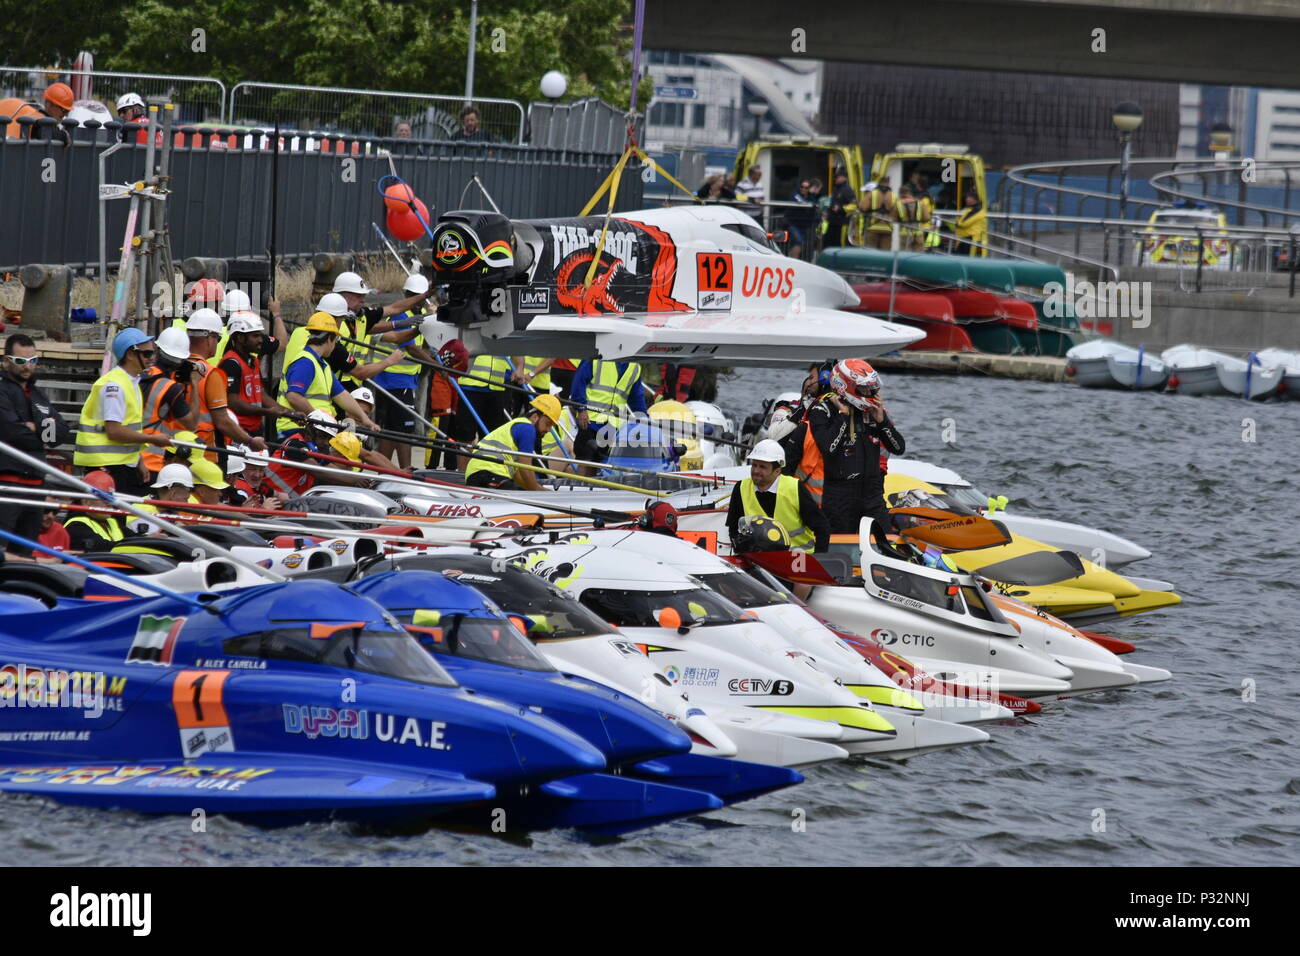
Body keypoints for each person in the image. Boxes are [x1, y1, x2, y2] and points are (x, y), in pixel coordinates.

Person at [797, 359, 905, 534]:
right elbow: (829, 448)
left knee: (886, 542)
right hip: (840, 496)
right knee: (840, 552)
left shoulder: (874, 410)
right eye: (864, 388)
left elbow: (898, 448)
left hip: (872, 494)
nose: (871, 393)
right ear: (844, 386)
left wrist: (882, 422)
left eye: (872, 388)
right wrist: (843, 416)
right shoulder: (822, 409)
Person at [75, 328, 172, 497]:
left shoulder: (131, 381)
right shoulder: (115, 386)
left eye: (153, 352)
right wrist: (153, 439)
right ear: (130, 355)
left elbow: (128, 427)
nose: (153, 358)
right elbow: (115, 431)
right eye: (148, 354)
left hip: (121, 464)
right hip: (107, 465)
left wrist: (138, 460)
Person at [0, 334, 71, 554]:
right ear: (6, 361)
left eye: (32, 361)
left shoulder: (39, 395)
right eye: (20, 361)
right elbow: (12, 431)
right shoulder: (2, 390)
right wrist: (41, 431)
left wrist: (35, 428)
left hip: (36, 484)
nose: (27, 367)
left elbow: (60, 433)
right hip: (7, 484)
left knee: (24, 552)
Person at [275, 312, 384, 437]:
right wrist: (319, 420)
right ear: (328, 339)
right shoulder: (305, 362)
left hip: (314, 429)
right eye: (336, 340)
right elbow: (293, 396)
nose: (335, 345)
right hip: (298, 430)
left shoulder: (322, 365)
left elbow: (342, 395)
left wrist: (364, 418)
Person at [370, 273, 437, 469]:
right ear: (406, 293)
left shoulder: (417, 316)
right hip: (394, 380)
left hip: (401, 380)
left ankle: (384, 470)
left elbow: (424, 344)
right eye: (413, 295)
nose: (416, 300)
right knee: (404, 429)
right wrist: (438, 367)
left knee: (391, 429)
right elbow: (412, 348)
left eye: (420, 296)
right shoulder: (401, 316)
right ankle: (406, 471)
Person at [183, 309, 265, 459]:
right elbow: (222, 421)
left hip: (176, 449)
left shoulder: (176, 367)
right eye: (218, 339)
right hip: (205, 452)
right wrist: (250, 441)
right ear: (209, 338)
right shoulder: (211, 374)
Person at [726, 439, 829, 554]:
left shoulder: (794, 488)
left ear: (777, 471)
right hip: (758, 562)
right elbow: (733, 529)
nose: (755, 470)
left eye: (762, 467)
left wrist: (819, 560)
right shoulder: (741, 488)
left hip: (798, 561)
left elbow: (822, 527)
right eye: (754, 465)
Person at [219, 312, 293, 444]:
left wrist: (289, 413)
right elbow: (233, 402)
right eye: (255, 335)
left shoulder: (253, 361)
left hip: (255, 429)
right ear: (240, 338)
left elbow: (261, 395)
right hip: (237, 432)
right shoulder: (231, 364)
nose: (260, 340)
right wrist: (267, 412)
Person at [139, 325, 201, 477]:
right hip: (153, 461)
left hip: (131, 455)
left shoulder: (141, 374)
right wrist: (194, 383)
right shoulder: (170, 388)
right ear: (181, 360)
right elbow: (192, 423)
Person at [463, 395, 561, 491]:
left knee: (521, 492)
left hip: (479, 474)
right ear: (535, 417)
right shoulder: (527, 429)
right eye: (547, 424)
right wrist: (538, 491)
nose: (548, 430)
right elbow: (525, 468)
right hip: (487, 473)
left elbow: (518, 474)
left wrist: (538, 489)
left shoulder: (518, 426)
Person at [570, 357, 647, 474]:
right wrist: (581, 408)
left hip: (614, 426)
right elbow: (579, 382)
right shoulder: (596, 359)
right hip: (591, 420)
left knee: (603, 464)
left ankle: (596, 490)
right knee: (585, 460)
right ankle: (581, 490)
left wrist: (644, 420)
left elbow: (637, 399)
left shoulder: (634, 367)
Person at [64, 470, 125, 551]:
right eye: (104, 499)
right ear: (86, 502)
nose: (110, 504)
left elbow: (135, 539)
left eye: (111, 499)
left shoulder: (111, 521)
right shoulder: (75, 525)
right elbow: (103, 548)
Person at [821, 168, 857, 248]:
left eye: (837, 177)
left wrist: (841, 209)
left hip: (841, 224)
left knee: (838, 245)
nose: (835, 179)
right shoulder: (837, 189)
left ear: (844, 177)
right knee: (827, 244)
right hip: (832, 222)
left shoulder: (847, 190)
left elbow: (854, 205)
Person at [786, 180, 816, 260]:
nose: (803, 189)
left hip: (803, 225)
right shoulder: (795, 194)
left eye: (806, 187)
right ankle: (794, 261)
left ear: (809, 189)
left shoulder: (811, 197)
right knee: (798, 241)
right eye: (802, 187)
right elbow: (801, 202)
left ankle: (790, 260)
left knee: (796, 243)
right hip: (793, 223)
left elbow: (813, 206)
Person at [952, 190, 988, 256]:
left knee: (961, 257)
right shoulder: (971, 209)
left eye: (967, 198)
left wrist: (957, 223)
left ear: (973, 199)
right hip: (966, 238)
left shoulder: (976, 210)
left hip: (971, 238)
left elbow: (964, 223)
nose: (966, 199)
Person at [861, 182, 896, 250]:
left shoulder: (871, 194)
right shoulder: (893, 195)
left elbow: (863, 207)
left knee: (871, 251)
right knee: (885, 253)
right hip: (887, 228)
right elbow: (898, 213)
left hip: (873, 227)